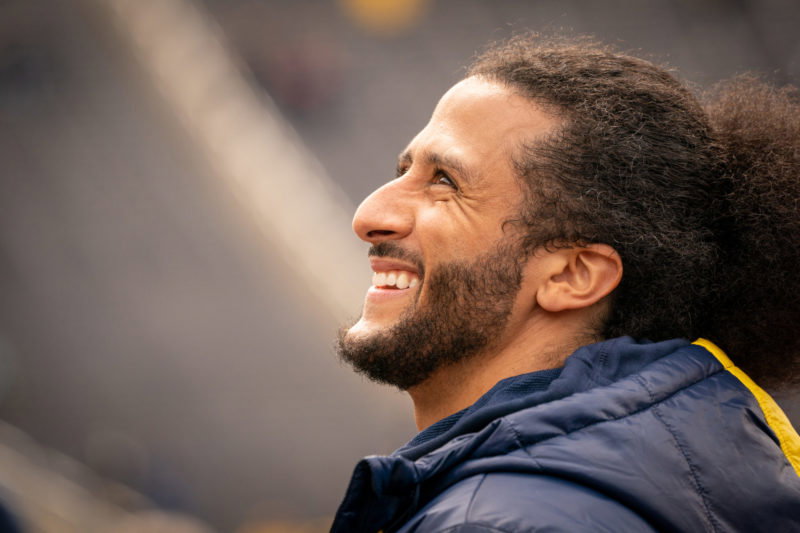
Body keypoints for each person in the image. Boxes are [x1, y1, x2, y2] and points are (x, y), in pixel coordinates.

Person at [332, 35, 800, 532]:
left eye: (444, 181)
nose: (368, 216)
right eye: (403, 170)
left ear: (572, 276)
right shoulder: (685, 467)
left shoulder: (492, 523)